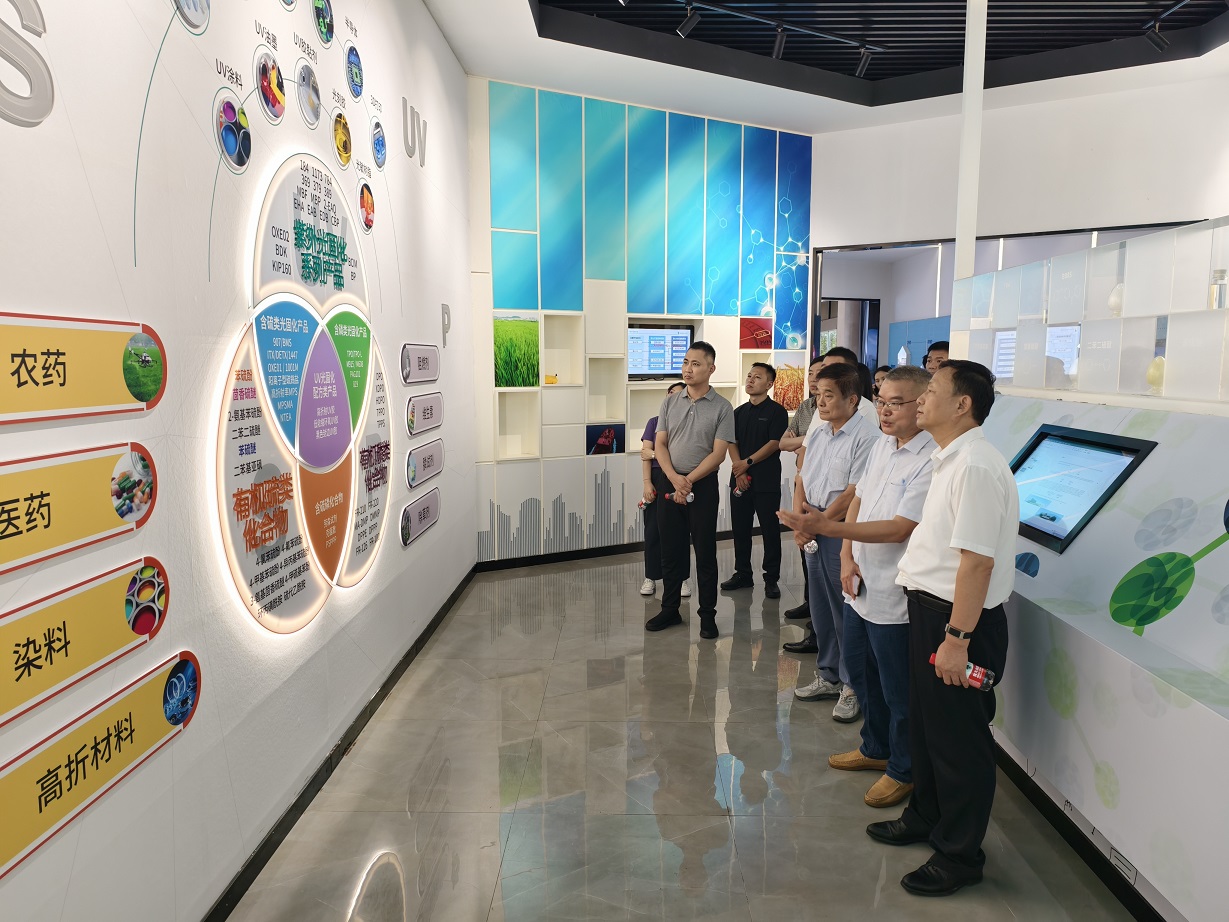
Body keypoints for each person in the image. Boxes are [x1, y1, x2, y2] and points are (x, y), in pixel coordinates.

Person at [866, 360, 1018, 898]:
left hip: (958, 623)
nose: (922, 397)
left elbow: (977, 563)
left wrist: (957, 640)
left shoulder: (974, 465)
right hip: (931, 612)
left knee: (959, 743)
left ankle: (959, 854)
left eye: (932, 389)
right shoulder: (948, 458)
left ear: (962, 404)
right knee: (930, 730)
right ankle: (926, 816)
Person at [779, 366, 934, 810]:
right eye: (881, 401)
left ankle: (902, 768)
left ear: (922, 404)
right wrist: (846, 554)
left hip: (894, 590)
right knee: (863, 672)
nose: (884, 410)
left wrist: (828, 527)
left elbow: (900, 527)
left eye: (896, 403)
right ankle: (875, 747)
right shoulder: (885, 445)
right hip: (860, 580)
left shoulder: (930, 458)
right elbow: (861, 500)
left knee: (897, 686)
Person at [788, 363, 877, 722]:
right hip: (813, 524)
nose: (820, 402)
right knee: (821, 607)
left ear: (852, 399)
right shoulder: (819, 431)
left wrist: (820, 524)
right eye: (818, 395)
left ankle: (852, 686)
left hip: (839, 530)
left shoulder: (867, 437)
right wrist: (801, 521)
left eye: (829, 395)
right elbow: (802, 478)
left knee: (846, 612)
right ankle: (827, 674)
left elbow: (854, 492)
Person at [648, 342, 735, 640]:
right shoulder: (670, 402)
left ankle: (707, 615)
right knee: (670, 550)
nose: (688, 368)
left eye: (696, 364)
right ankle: (670, 608)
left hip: (703, 486)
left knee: (705, 552)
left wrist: (688, 481)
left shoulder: (723, 407)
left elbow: (718, 454)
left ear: (711, 369)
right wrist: (674, 478)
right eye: (686, 362)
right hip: (669, 483)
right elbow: (660, 444)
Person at [721, 362, 789, 598]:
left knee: (770, 530)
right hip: (740, 479)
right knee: (740, 529)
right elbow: (731, 441)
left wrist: (747, 463)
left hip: (766, 481)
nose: (750, 380)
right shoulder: (738, 412)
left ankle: (771, 578)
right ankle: (743, 574)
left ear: (769, 384)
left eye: (757, 377)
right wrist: (739, 471)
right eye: (749, 375)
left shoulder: (777, 412)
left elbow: (774, 444)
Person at [778, 356, 825, 626]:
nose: (813, 379)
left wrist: (804, 444)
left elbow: (797, 444)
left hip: (824, 490)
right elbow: (783, 443)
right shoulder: (806, 407)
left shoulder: (849, 413)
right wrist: (809, 441)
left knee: (822, 552)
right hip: (802, 482)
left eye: (820, 373)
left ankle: (820, 613)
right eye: (810, 373)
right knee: (805, 548)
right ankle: (810, 602)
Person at [640, 382, 691, 599]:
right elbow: (645, 454)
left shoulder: (689, 422)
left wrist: (654, 454)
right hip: (657, 478)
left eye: (678, 394)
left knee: (680, 531)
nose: (672, 397)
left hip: (681, 479)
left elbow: (653, 453)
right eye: (670, 393)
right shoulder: (654, 421)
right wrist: (647, 483)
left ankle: (683, 578)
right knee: (653, 530)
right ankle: (651, 577)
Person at [823, 346, 879, 427]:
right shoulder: (821, 405)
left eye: (834, 369)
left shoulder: (864, 408)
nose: (826, 373)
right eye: (823, 368)